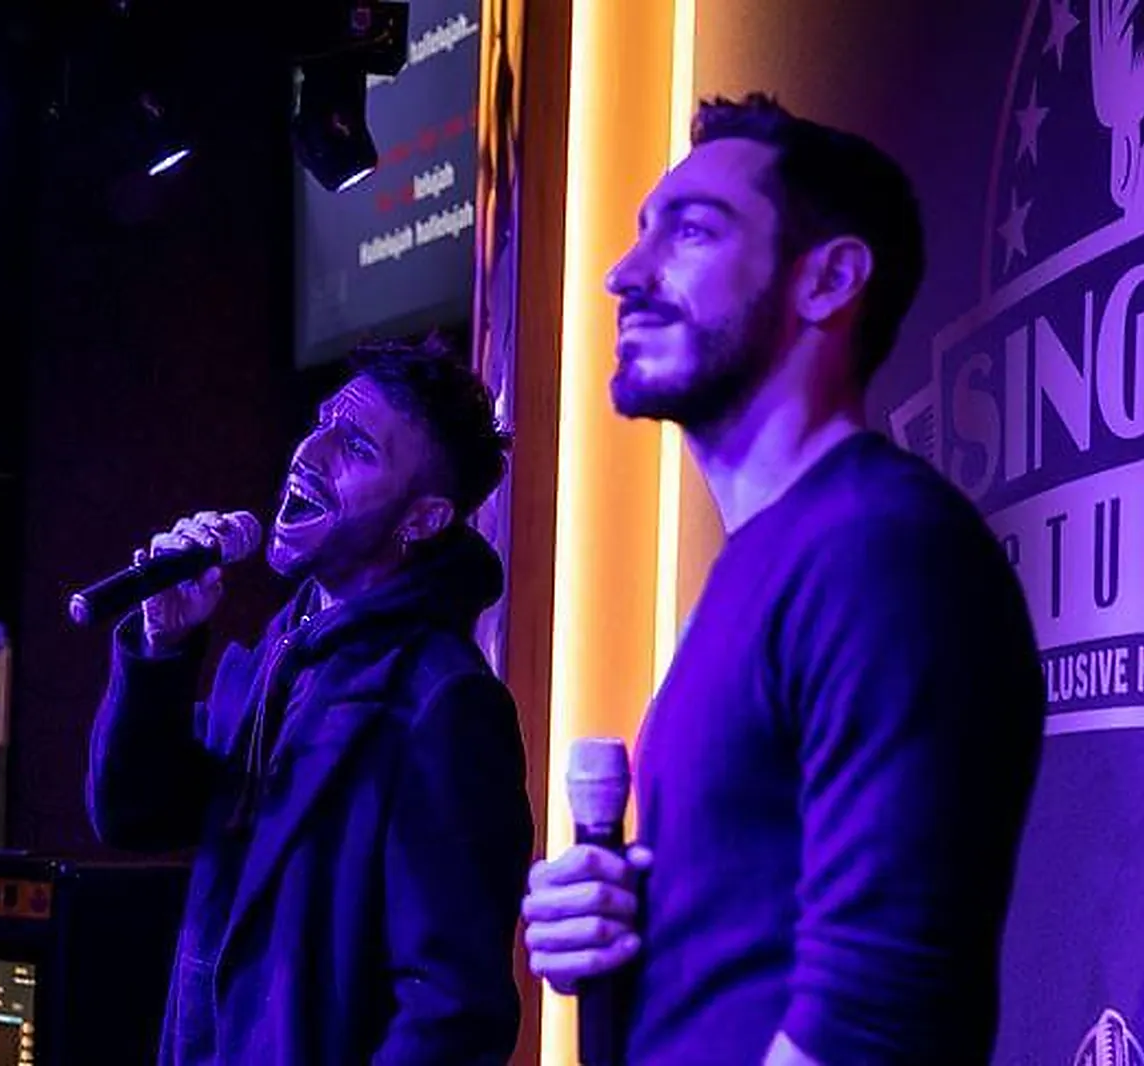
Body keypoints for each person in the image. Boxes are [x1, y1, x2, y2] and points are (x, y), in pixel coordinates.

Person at [521, 93, 1045, 1064]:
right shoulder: (766, 559)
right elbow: (753, 915)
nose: (622, 274)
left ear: (828, 280)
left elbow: (874, 1023)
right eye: (640, 235)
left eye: (690, 232)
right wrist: (617, 914)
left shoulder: (879, 551)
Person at [87, 335, 535, 1065]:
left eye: (356, 447)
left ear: (421, 519)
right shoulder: (281, 648)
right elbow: (134, 814)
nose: (310, 453)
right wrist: (162, 649)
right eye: (323, 421)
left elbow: (453, 1012)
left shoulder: (443, 703)